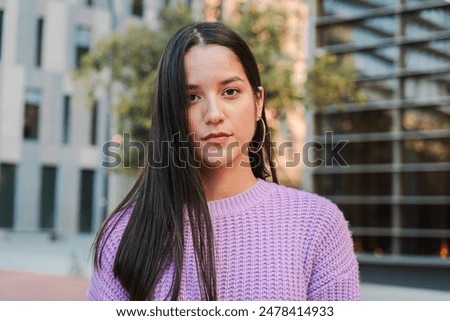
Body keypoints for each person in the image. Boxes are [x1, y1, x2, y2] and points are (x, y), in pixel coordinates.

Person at [87, 22, 360, 301]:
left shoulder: (318, 224)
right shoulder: (124, 234)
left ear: (258, 102)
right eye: (191, 98)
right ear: (171, 114)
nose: (214, 114)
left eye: (230, 92)